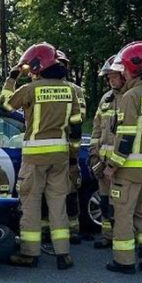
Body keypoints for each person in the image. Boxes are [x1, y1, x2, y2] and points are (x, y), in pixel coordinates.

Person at [0, 42, 83, 270]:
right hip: (60, 156)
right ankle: (63, 254)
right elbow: (76, 126)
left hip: (35, 157)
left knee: (31, 204)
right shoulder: (69, 90)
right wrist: (73, 154)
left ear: (37, 65)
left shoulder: (31, 89)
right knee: (58, 205)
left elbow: (4, 105)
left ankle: (29, 253)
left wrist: (13, 76)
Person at [103, 41, 142, 274]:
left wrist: (112, 165)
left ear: (134, 68)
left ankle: (124, 260)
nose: (122, 73)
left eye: (124, 68)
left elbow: (126, 137)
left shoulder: (131, 96)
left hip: (129, 170)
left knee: (123, 214)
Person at [90, 55, 127, 250]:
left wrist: (115, 163)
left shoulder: (130, 97)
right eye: (109, 77)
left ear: (124, 76)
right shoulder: (106, 98)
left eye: (114, 76)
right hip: (103, 162)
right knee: (104, 201)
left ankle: (123, 238)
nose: (111, 80)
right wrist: (93, 156)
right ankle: (107, 235)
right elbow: (97, 128)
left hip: (121, 164)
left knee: (119, 204)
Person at [56, 50, 86, 244]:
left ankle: (73, 229)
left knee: (70, 191)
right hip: (54, 148)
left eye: (62, 63)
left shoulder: (75, 90)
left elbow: (79, 119)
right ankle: (46, 230)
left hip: (67, 148)